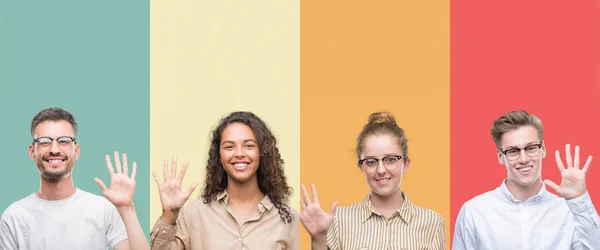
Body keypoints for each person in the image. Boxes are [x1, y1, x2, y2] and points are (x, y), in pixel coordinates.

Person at [0, 107, 149, 250]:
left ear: (76, 151)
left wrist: (127, 209)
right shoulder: (14, 216)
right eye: (45, 141)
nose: (54, 149)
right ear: (32, 151)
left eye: (63, 141)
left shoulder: (102, 209)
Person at [150, 111, 299, 249]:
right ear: (219, 157)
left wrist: (318, 239)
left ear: (262, 153)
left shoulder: (288, 220)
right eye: (229, 147)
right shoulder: (193, 215)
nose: (239, 153)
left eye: (249, 146)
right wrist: (169, 215)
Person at [452, 110, 600, 249]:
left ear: (543, 150)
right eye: (513, 151)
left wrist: (578, 199)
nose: (523, 159)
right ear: (500, 156)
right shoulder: (475, 212)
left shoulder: (569, 212)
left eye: (530, 148)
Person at [300, 111, 445, 250]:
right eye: (371, 162)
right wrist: (318, 238)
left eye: (390, 159)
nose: (381, 170)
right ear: (362, 167)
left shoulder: (432, 222)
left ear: (406, 163)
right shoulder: (338, 220)